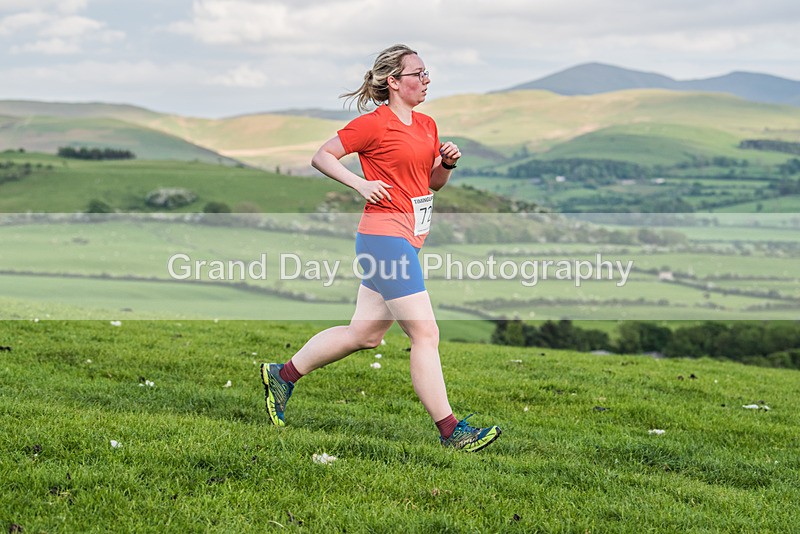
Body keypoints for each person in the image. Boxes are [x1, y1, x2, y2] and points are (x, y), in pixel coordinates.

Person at [260, 44, 501, 452]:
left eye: (427, 74)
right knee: (425, 333)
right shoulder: (374, 124)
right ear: (393, 81)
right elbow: (322, 156)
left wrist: (446, 163)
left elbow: (431, 185)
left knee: (365, 334)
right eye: (418, 74)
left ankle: (282, 376)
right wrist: (360, 183)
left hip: (407, 236)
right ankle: (452, 431)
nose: (426, 81)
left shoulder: (426, 124)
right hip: (384, 237)